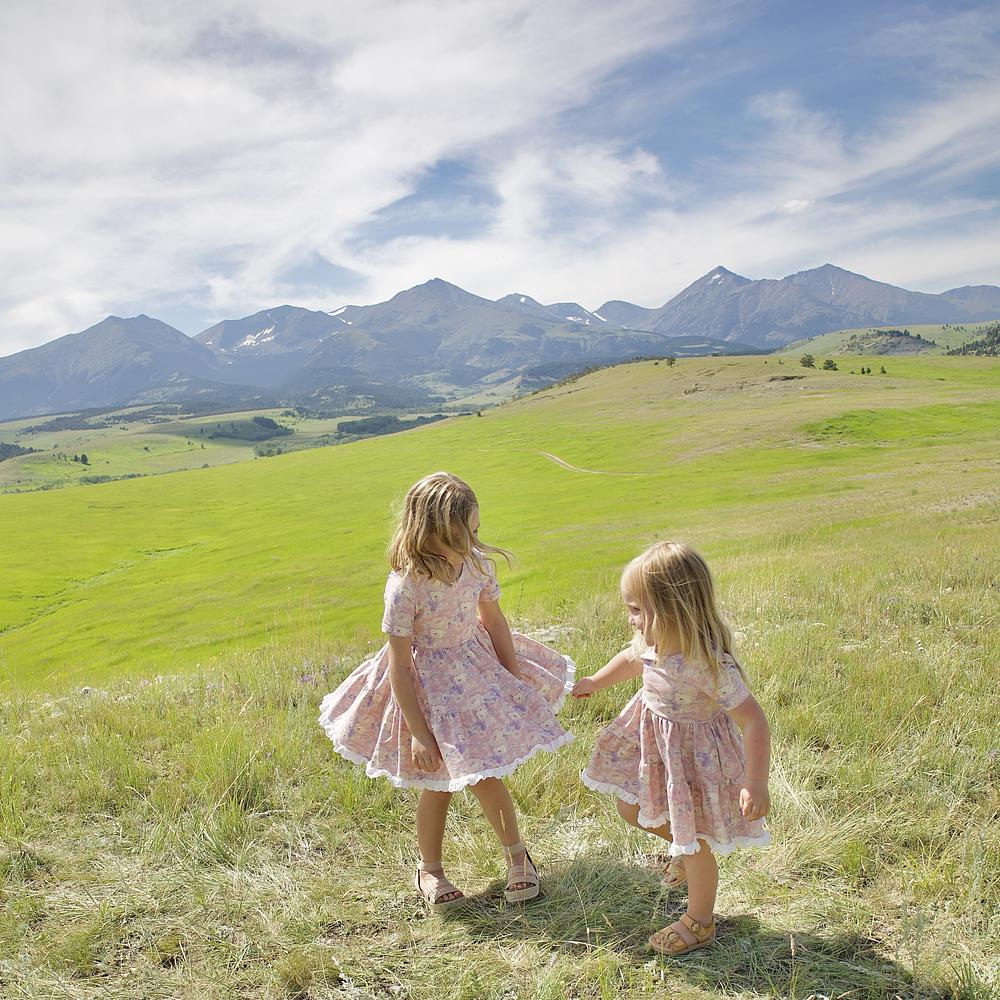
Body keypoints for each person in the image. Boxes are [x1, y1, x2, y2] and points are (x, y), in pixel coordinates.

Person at [319, 472, 574, 910]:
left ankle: (518, 858)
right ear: (431, 531)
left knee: (485, 773)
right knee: (437, 784)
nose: (473, 543)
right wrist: (419, 733)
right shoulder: (405, 586)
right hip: (426, 688)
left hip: (473, 673)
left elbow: (494, 621)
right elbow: (399, 663)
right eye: (462, 536)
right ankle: (430, 869)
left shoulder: (475, 565)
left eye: (476, 531)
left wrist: (513, 679)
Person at [572, 541, 771, 955]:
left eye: (636, 609)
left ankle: (700, 920)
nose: (630, 619)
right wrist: (595, 681)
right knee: (630, 808)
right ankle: (683, 851)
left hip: (694, 761)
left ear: (671, 609)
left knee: (693, 839)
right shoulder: (653, 645)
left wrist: (756, 783)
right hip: (659, 755)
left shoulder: (707, 665)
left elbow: (753, 721)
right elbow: (631, 659)